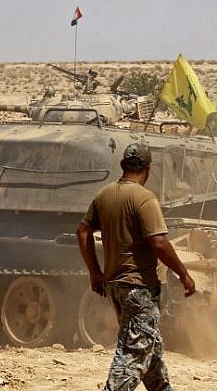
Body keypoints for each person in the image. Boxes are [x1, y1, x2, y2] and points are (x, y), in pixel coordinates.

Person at [77, 142, 196, 391]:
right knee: (132, 356)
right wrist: (184, 274)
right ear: (148, 168)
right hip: (139, 288)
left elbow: (83, 231)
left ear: (123, 166)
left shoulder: (104, 195)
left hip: (117, 286)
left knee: (151, 356)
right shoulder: (144, 199)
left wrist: (95, 272)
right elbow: (159, 242)